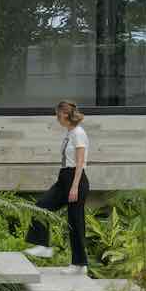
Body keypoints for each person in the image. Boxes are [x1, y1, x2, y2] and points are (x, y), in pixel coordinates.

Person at [31, 99, 89, 269]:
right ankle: (42, 246)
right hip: (64, 177)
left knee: (75, 222)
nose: (56, 118)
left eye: (58, 114)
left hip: (75, 178)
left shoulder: (78, 133)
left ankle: (79, 265)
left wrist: (74, 186)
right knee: (41, 206)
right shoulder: (70, 133)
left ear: (65, 114)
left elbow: (80, 162)